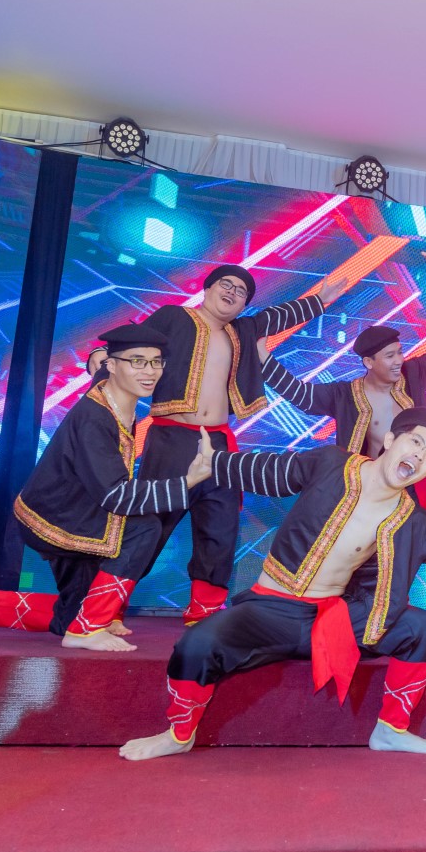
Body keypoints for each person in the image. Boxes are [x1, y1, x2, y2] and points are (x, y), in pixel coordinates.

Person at [119, 407, 426, 761]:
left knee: (420, 627)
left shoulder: (414, 520)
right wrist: (215, 463)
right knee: (198, 644)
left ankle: (391, 731)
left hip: (337, 616)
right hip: (270, 609)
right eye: (416, 443)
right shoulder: (331, 463)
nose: (420, 457)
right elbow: (271, 472)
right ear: (391, 439)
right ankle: (178, 734)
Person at [100, 262, 348, 623]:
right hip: (171, 438)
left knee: (220, 527)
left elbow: (275, 317)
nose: (232, 293)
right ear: (208, 288)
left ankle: (202, 614)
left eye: (241, 291)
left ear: (244, 304)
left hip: (219, 445)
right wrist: (102, 363)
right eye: (226, 285)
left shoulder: (242, 331)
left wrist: (319, 300)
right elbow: (132, 346)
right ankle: (105, 611)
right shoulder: (174, 317)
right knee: (150, 524)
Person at [0, 326, 213, 650]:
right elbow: (116, 497)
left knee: (72, 615)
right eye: (137, 361)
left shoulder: (114, 391)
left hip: (78, 512)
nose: (149, 371)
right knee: (144, 528)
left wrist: (98, 356)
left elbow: (99, 365)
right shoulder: (95, 418)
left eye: (156, 362)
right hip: (57, 518)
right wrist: (188, 481)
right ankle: (87, 630)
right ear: (114, 366)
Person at [256, 259, 426, 513]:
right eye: (389, 356)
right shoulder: (344, 395)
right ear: (369, 362)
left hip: (412, 490)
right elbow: (301, 395)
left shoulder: (413, 373)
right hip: (364, 489)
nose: (398, 361)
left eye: (399, 352)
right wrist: (264, 359)